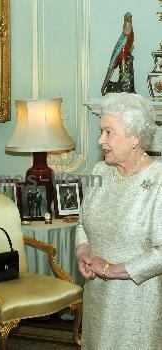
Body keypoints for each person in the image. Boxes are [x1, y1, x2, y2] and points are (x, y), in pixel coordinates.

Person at [75, 93, 162, 349]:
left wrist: (110, 270)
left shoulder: (159, 181)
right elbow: (82, 223)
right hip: (97, 294)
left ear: (135, 137)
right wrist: (83, 252)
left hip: (137, 301)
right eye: (101, 131)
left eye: (109, 132)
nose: (100, 140)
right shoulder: (100, 171)